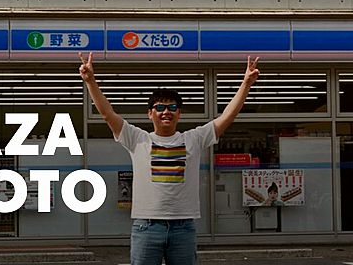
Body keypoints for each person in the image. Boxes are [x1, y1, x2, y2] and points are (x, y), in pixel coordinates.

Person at [78, 52, 259, 265]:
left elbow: (227, 116)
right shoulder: (137, 139)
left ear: (179, 113)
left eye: (172, 107)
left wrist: (246, 83)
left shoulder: (194, 138)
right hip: (146, 227)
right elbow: (108, 114)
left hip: (183, 228)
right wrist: (90, 81)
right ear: (150, 113)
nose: (166, 112)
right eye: (160, 107)